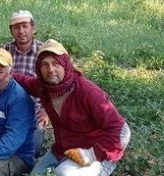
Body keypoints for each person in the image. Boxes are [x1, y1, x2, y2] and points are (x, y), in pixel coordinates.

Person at [14, 39, 131, 176]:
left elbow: (123, 131)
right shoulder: (43, 87)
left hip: (94, 153)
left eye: (55, 63)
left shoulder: (87, 92)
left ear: (65, 65)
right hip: (62, 151)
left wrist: (92, 154)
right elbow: (22, 80)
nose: (50, 70)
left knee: (64, 173)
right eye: (45, 65)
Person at [1, 10, 48, 154]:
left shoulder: (44, 52)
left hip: (34, 112)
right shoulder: (4, 51)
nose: (21, 31)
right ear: (11, 31)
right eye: (16, 27)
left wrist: (47, 110)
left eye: (25, 26)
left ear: (33, 28)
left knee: (31, 148)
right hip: (6, 110)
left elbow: (55, 85)